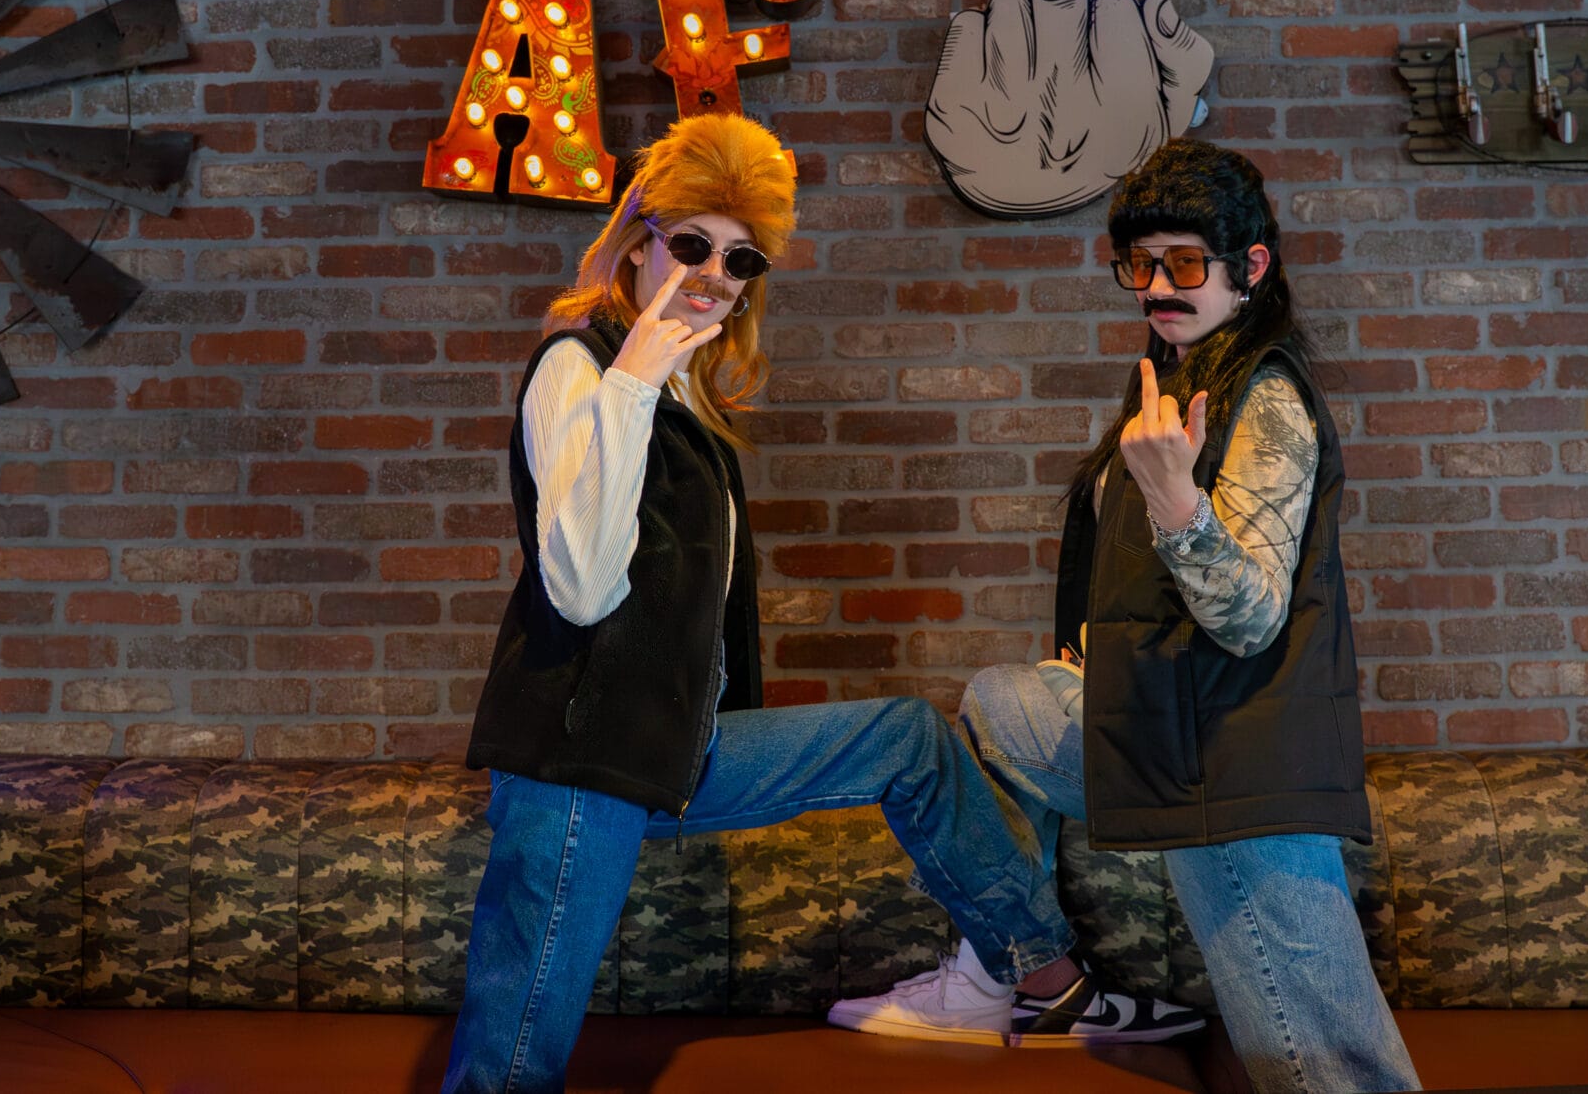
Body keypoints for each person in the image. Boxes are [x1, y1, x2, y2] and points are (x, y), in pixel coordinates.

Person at [443, 113, 1188, 1094]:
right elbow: (579, 587)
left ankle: (1045, 982)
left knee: (908, 739)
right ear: (636, 244)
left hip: (671, 750)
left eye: (740, 258)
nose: (714, 273)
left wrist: (654, 383)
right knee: (509, 1067)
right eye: (692, 244)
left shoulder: (684, 399)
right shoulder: (578, 369)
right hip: (576, 766)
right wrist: (630, 381)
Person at [829, 138, 1420, 1094]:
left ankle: (1008, 976)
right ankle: (1015, 970)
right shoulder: (1174, 376)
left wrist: (1177, 504)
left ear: (1250, 266)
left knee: (1330, 1073)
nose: (1156, 287)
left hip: (1236, 767)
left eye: (1184, 263)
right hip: (1166, 731)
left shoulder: (1265, 396)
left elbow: (1251, 619)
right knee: (1001, 702)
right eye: (1139, 265)